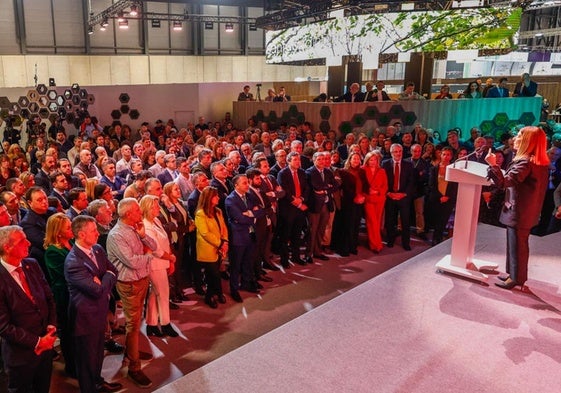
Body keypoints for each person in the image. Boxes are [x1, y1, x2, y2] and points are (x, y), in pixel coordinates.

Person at [485, 126, 549, 290]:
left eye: (520, 135)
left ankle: (517, 278)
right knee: (517, 243)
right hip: (526, 211)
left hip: (520, 211)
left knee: (517, 245)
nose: (515, 137)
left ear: (528, 140)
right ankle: (513, 274)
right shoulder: (536, 161)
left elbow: (505, 183)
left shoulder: (525, 161)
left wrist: (493, 165)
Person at [64, 215, 121, 393]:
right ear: (81, 234)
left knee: (97, 354)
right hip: (85, 317)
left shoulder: (97, 249)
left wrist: (104, 278)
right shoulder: (73, 261)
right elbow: (96, 291)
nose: (98, 233)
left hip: (100, 311)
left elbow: (113, 270)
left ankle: (98, 382)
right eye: (93, 231)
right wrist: (106, 279)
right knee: (86, 358)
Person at [107, 198, 157, 388]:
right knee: (133, 325)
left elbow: (154, 245)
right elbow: (132, 262)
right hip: (129, 284)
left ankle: (131, 352)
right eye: (137, 210)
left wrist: (144, 237)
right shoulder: (117, 235)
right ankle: (134, 367)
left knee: (136, 323)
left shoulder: (135, 228)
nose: (140, 213)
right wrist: (149, 257)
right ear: (128, 214)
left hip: (141, 280)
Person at [0, 226, 57, 393]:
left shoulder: (31, 264)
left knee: (43, 387)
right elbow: (4, 326)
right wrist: (38, 342)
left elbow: (49, 298)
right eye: (22, 241)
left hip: (46, 348)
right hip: (21, 355)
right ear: (7, 247)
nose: (29, 242)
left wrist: (52, 325)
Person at [140, 195, 179, 338]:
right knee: (163, 294)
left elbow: (165, 241)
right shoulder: (145, 225)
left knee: (154, 295)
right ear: (147, 208)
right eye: (155, 206)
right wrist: (171, 258)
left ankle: (151, 324)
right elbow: (155, 249)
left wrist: (170, 261)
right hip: (154, 265)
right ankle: (165, 324)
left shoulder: (155, 220)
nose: (158, 209)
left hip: (162, 262)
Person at [43, 213, 76, 378]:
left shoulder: (70, 242)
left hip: (75, 292)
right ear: (58, 232)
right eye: (68, 227)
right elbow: (65, 274)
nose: (72, 229)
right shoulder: (52, 252)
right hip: (64, 295)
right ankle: (71, 365)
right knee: (68, 332)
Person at [195, 186, 229, 308]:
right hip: (208, 249)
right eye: (216, 196)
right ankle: (210, 296)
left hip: (219, 247)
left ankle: (217, 293)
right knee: (212, 274)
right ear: (209, 198)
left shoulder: (218, 211)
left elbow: (223, 227)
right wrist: (220, 243)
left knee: (216, 272)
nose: (218, 198)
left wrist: (225, 241)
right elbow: (205, 233)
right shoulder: (200, 214)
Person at [382, 143, 415, 251]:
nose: (398, 154)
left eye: (400, 151)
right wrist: (388, 193)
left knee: (405, 221)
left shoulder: (409, 164)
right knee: (390, 220)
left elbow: (411, 182)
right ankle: (390, 240)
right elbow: (382, 181)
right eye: (395, 152)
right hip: (390, 196)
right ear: (391, 153)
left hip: (404, 196)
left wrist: (404, 194)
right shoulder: (385, 164)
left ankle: (406, 243)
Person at [428, 147, 458, 245]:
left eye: (448, 154)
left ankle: (439, 238)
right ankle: (435, 239)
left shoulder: (454, 169)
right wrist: (440, 196)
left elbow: (455, 186)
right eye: (444, 154)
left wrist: (447, 196)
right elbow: (431, 185)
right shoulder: (434, 169)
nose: (445, 157)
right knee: (436, 219)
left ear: (451, 156)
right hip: (437, 198)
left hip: (448, 199)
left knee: (444, 219)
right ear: (440, 155)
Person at [362, 151, 388, 253]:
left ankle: (375, 242)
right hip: (368, 199)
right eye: (371, 160)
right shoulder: (363, 170)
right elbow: (360, 185)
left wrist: (377, 191)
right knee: (372, 221)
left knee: (377, 222)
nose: (373, 162)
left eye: (375, 160)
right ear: (367, 161)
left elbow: (385, 186)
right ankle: (376, 244)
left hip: (379, 199)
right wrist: (367, 193)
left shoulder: (382, 171)